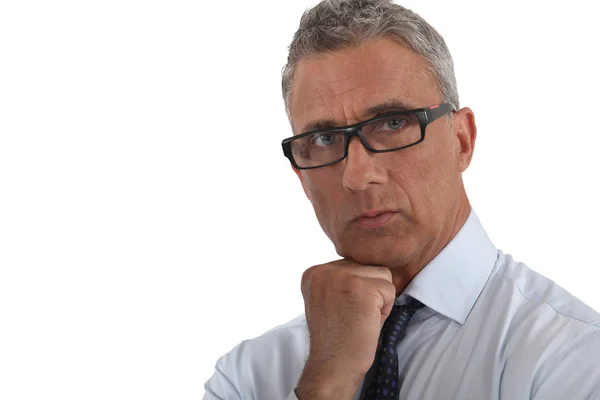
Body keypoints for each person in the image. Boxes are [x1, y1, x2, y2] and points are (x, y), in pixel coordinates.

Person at [203, 0, 600, 399]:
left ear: (461, 140)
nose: (357, 176)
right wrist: (326, 382)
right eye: (324, 139)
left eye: (393, 123)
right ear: (301, 176)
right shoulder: (247, 376)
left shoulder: (574, 357)